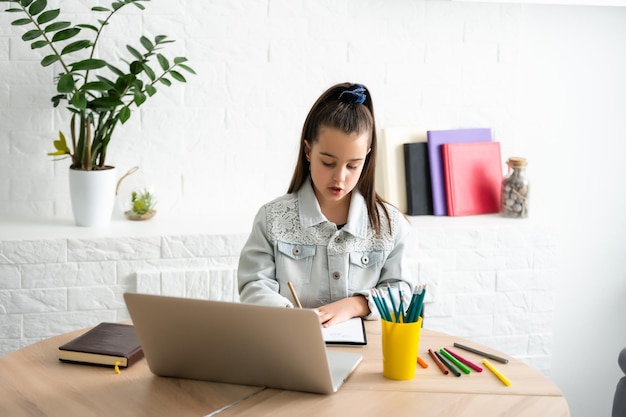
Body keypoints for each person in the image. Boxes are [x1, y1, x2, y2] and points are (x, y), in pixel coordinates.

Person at [237, 82, 415, 327]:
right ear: (308, 151)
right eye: (328, 162)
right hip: (292, 345)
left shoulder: (391, 225)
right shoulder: (272, 218)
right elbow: (253, 285)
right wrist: (292, 319)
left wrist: (355, 305)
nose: (340, 177)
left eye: (353, 165)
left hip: (367, 351)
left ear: (367, 157)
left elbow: (402, 292)